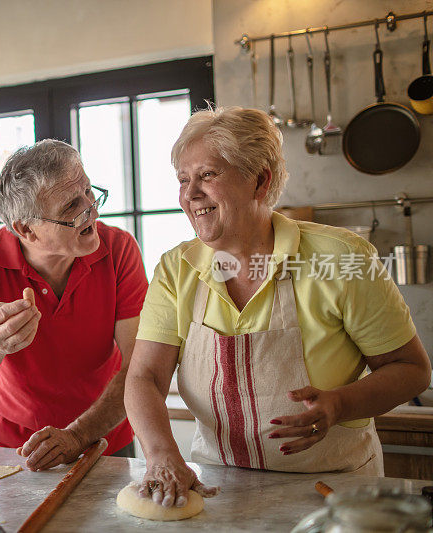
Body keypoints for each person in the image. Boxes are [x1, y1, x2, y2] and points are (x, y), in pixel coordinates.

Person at [125, 106, 431, 508]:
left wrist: (340, 405)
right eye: (183, 179)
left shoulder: (340, 258)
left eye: (207, 175)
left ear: (260, 180)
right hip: (217, 490)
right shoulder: (176, 267)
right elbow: (144, 377)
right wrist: (162, 454)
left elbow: (411, 370)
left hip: (332, 491)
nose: (189, 194)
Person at [0, 139, 149, 470]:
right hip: (12, 451)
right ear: (26, 230)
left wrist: (77, 436)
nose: (91, 210)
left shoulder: (120, 249)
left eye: (89, 192)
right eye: (70, 207)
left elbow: (139, 367)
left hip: (103, 440)